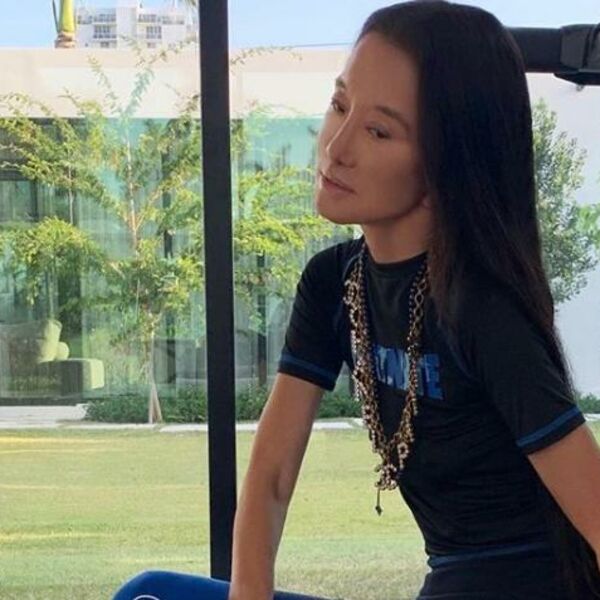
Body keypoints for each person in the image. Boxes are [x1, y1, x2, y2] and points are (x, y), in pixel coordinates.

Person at [112, 1, 600, 599]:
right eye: (340, 105)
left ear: (445, 162)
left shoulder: (480, 308)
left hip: (536, 583)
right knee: (149, 593)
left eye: (379, 131)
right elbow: (271, 478)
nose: (336, 147)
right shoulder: (332, 283)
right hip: (450, 578)